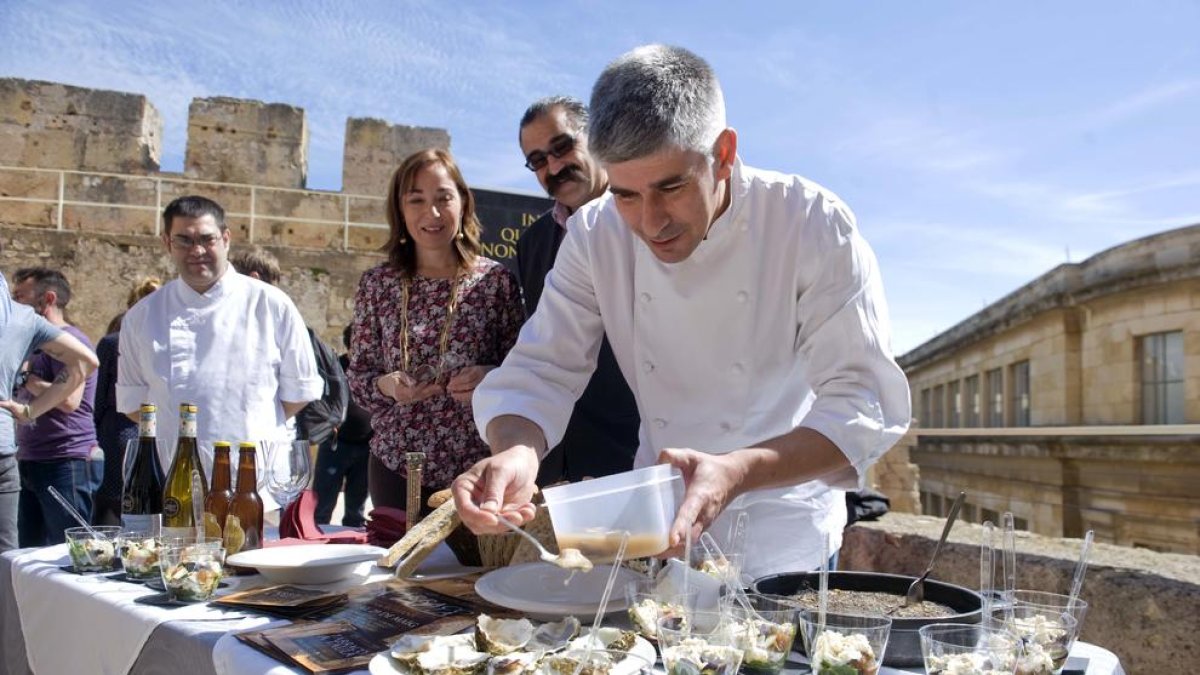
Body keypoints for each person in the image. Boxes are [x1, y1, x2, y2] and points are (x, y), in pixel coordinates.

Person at [453, 45, 911, 578]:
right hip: (659, 525)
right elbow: (541, 368)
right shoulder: (593, 234)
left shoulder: (810, 222)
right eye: (626, 194)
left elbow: (862, 403)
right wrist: (515, 453)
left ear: (723, 152)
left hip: (784, 536)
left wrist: (737, 471)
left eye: (671, 187)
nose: (651, 223)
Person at [347, 149, 523, 514]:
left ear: (463, 202)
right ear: (400, 209)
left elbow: (522, 371)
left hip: (478, 469)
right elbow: (360, 376)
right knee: (397, 571)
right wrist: (389, 386)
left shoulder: (495, 282)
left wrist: (488, 376)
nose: (432, 213)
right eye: (417, 200)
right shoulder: (378, 285)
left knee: (474, 572)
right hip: (397, 466)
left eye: (443, 198)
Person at [116, 196, 323, 474]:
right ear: (167, 243)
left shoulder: (271, 305)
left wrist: (247, 423)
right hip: (171, 480)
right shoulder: (142, 316)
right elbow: (134, 403)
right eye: (184, 240)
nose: (197, 250)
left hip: (253, 479)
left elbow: (298, 393)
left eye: (207, 238)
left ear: (226, 239)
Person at [516, 96, 640, 484]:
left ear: (596, 138)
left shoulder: (644, 218)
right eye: (538, 160)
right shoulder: (533, 243)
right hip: (557, 457)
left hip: (635, 450)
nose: (553, 166)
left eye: (562, 146)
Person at [0, 250, 98, 552]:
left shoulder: (58, 334)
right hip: (27, 455)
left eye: (22, 295)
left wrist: (28, 391)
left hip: (62, 457)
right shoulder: (25, 328)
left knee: (66, 551)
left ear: (48, 299)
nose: (14, 301)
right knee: (24, 555)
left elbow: (71, 401)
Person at [92, 276, 162, 525]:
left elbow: (98, 398)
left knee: (111, 505)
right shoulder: (162, 344)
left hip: (118, 431)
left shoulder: (112, 342)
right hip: (154, 432)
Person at [311, 326, 371, 526]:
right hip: (336, 444)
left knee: (357, 511)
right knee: (322, 505)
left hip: (367, 445)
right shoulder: (334, 369)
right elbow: (317, 399)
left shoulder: (375, 371)